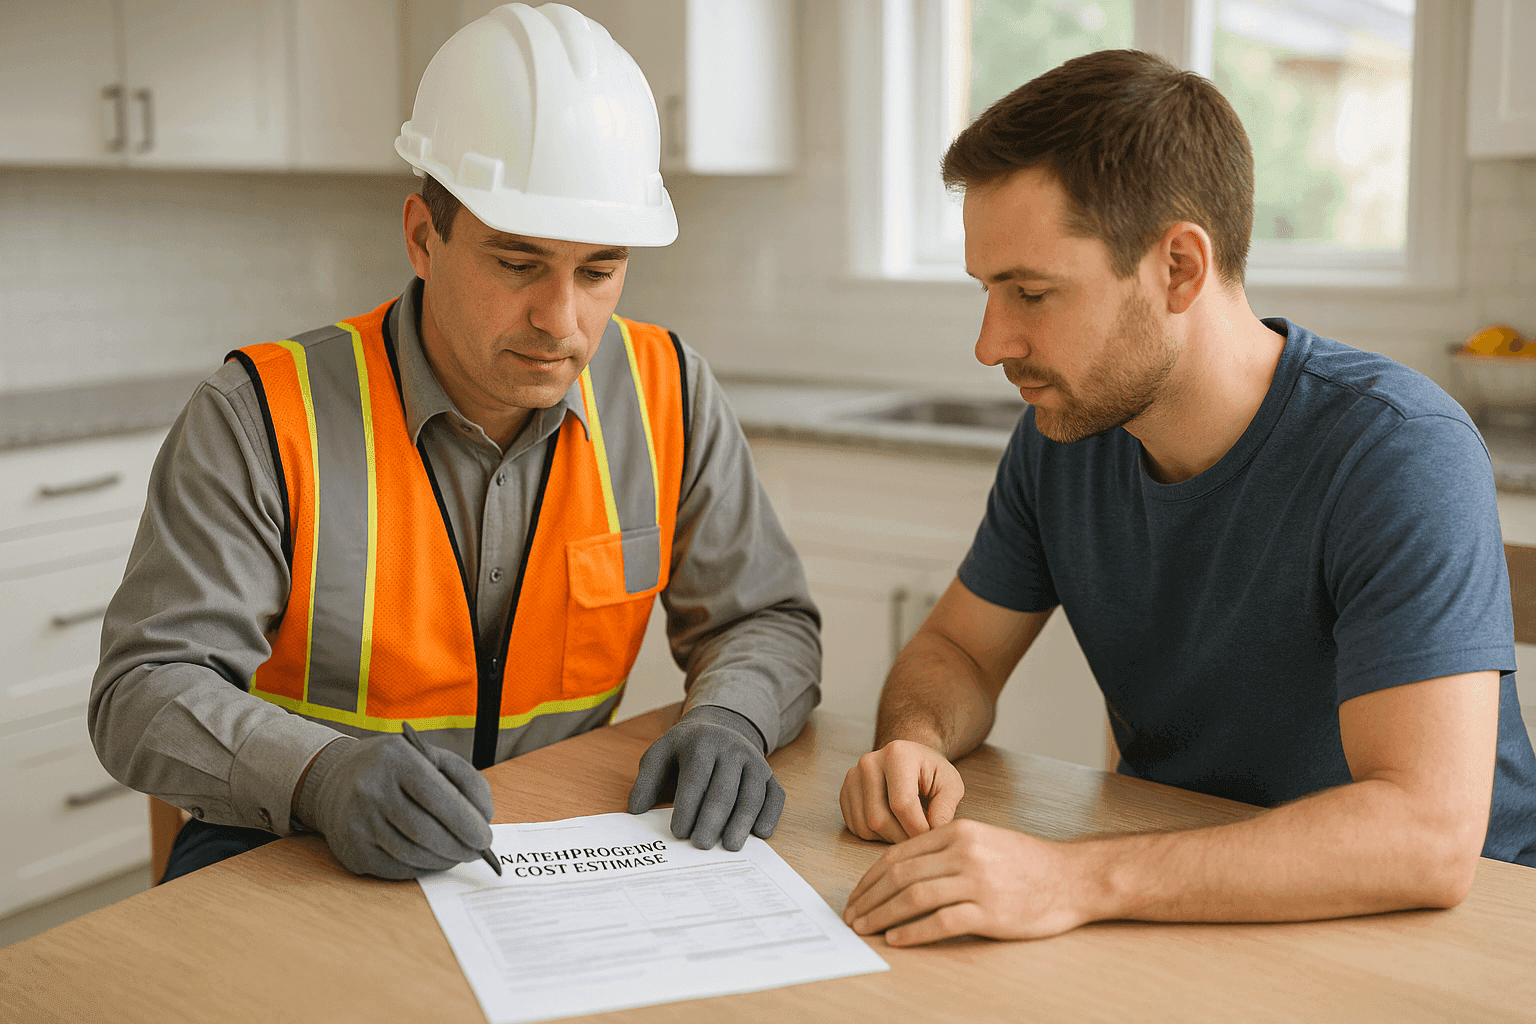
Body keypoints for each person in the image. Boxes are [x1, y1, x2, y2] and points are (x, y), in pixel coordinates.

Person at [90, 2, 820, 883]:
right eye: (517, 263)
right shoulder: (261, 414)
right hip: (290, 842)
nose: (562, 322)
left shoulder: (670, 392)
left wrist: (733, 717)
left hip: (551, 841)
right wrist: (321, 775)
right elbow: (144, 690)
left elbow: (765, 618)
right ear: (423, 237)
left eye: (599, 271)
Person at [838, 48, 1536, 947]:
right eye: (987, 290)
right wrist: (917, 742)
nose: (990, 342)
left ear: (1178, 268)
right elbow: (957, 652)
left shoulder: (1399, 450)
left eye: (1032, 292)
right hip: (1193, 904)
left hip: (1455, 936)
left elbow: (1427, 838)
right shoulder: (1067, 433)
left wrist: (1069, 875)